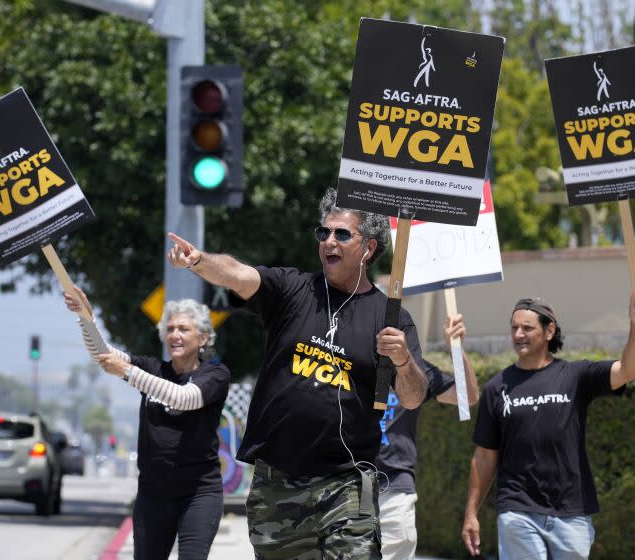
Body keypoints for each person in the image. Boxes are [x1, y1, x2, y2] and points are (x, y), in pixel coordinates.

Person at [167, 188, 429, 559]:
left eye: (342, 234)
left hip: (347, 484)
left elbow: (413, 397)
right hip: (279, 485)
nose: (329, 242)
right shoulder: (292, 289)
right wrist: (198, 260)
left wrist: (403, 360)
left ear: (368, 249)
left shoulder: (391, 319)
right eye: (324, 233)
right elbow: (238, 275)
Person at [462, 295, 635, 560]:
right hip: (517, 509)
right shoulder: (497, 387)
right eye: (514, 328)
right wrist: (471, 513)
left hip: (571, 511)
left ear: (549, 330)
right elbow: (484, 455)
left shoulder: (576, 376)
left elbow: (629, 371)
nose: (519, 334)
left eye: (527, 328)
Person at [64, 286, 230, 560]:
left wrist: (129, 373)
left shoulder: (215, 374)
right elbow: (102, 354)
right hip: (153, 495)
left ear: (203, 338)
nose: (175, 335)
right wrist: (86, 318)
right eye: (170, 328)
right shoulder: (153, 369)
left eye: (183, 329)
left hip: (198, 494)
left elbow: (183, 398)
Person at [377, 313, 480, 560]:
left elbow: (467, 397)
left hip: (394, 490)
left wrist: (456, 348)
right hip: (346, 484)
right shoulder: (346, 359)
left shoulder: (416, 368)